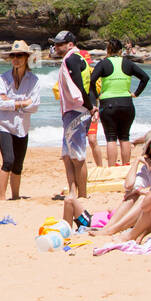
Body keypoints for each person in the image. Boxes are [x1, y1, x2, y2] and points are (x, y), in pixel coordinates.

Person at [85, 135, 151, 237]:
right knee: (132, 195)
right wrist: (136, 162)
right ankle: (108, 228)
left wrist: (142, 191)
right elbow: (128, 185)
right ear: (149, 151)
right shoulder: (147, 168)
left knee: (142, 197)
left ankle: (112, 230)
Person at [89, 39, 149, 166]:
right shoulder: (128, 63)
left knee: (111, 138)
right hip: (127, 103)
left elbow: (92, 80)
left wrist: (97, 96)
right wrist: (136, 93)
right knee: (124, 137)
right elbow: (145, 77)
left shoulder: (103, 63)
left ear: (108, 50)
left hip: (108, 104)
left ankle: (111, 167)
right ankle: (126, 165)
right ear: (121, 51)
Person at [0, 41, 40, 200]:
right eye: (13, 55)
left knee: (18, 166)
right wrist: (22, 102)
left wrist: (12, 102)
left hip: (22, 127)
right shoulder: (3, 78)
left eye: (19, 55)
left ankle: (15, 197)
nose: (15, 58)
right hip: (4, 126)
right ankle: (1, 198)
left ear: (27, 57)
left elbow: (34, 106)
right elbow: (1, 103)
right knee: (8, 161)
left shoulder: (34, 80)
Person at [51, 30, 93, 201]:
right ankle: (73, 192)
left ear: (70, 44)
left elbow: (79, 85)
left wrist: (91, 107)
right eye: (55, 44)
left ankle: (82, 195)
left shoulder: (72, 59)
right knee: (67, 156)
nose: (56, 47)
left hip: (77, 111)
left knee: (77, 157)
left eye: (59, 44)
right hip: (72, 111)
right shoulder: (71, 59)